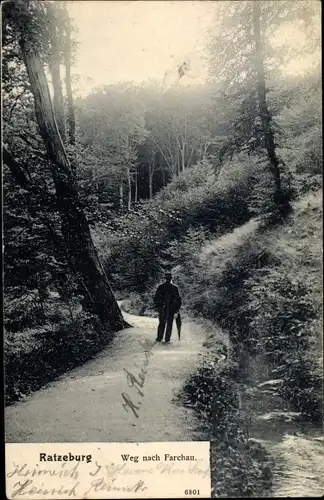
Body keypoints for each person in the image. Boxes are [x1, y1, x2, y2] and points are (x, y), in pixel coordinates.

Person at [153, 273, 181, 343]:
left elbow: (156, 298)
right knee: (169, 324)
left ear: (165, 278)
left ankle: (159, 338)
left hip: (163, 308)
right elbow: (178, 300)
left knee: (162, 323)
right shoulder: (175, 288)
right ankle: (167, 339)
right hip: (171, 309)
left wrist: (159, 307)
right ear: (171, 279)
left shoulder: (161, 287)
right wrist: (176, 309)